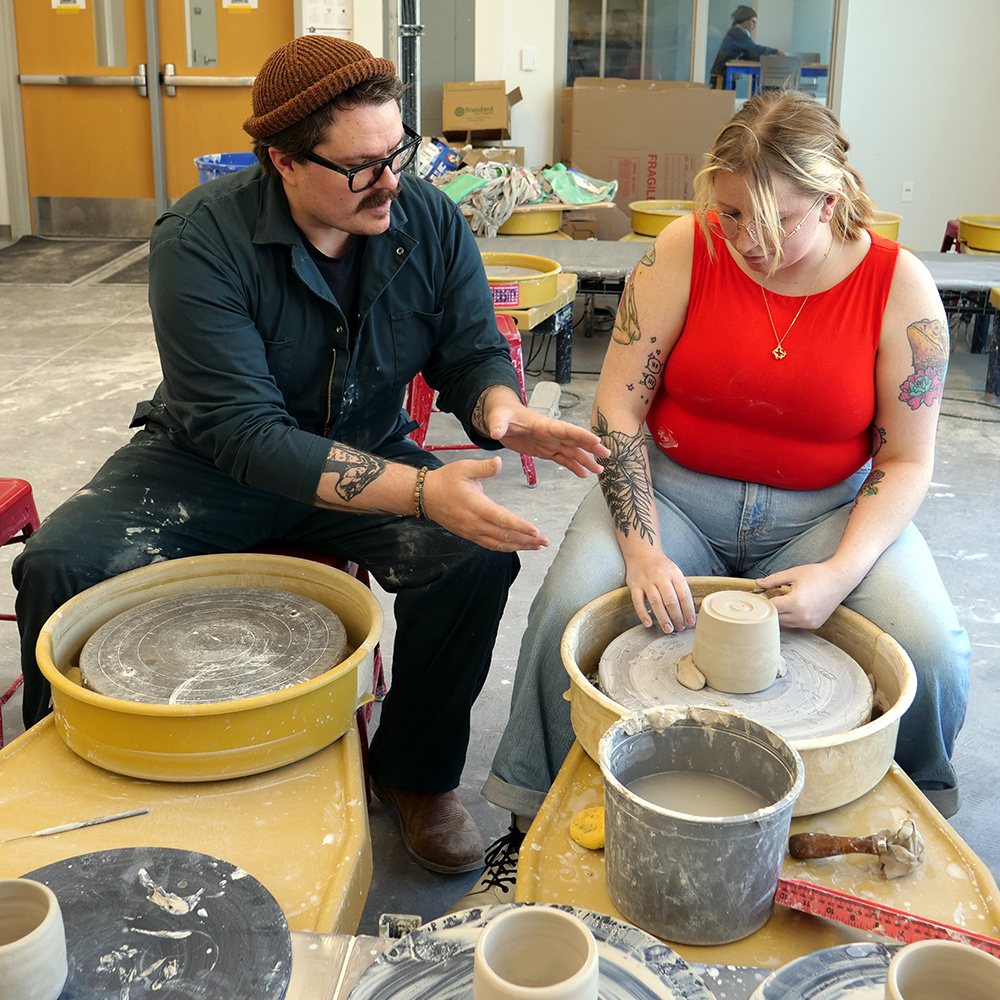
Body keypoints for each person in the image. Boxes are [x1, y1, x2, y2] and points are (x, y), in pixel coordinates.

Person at [11, 36, 607, 876]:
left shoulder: (423, 218)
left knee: (474, 556)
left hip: (360, 442)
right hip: (203, 464)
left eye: (398, 151)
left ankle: (416, 776)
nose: (392, 180)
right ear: (284, 161)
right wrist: (418, 493)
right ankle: (68, 773)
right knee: (62, 563)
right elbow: (242, 432)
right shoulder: (199, 238)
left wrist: (502, 412)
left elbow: (470, 349)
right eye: (362, 166)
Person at [454, 89, 970, 909]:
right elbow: (618, 407)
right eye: (728, 213)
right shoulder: (684, 250)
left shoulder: (899, 288)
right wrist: (641, 545)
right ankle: (529, 822)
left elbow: (906, 462)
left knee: (930, 648)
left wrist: (839, 572)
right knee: (565, 610)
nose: (743, 241)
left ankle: (907, 827)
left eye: (771, 223)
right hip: (676, 493)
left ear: (830, 202)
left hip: (826, 509)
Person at [710, 5, 782, 83]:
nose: (754, 26)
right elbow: (753, 50)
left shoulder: (738, 33)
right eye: (753, 22)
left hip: (725, 75)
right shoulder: (737, 33)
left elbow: (749, 54)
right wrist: (776, 52)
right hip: (721, 77)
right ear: (744, 20)